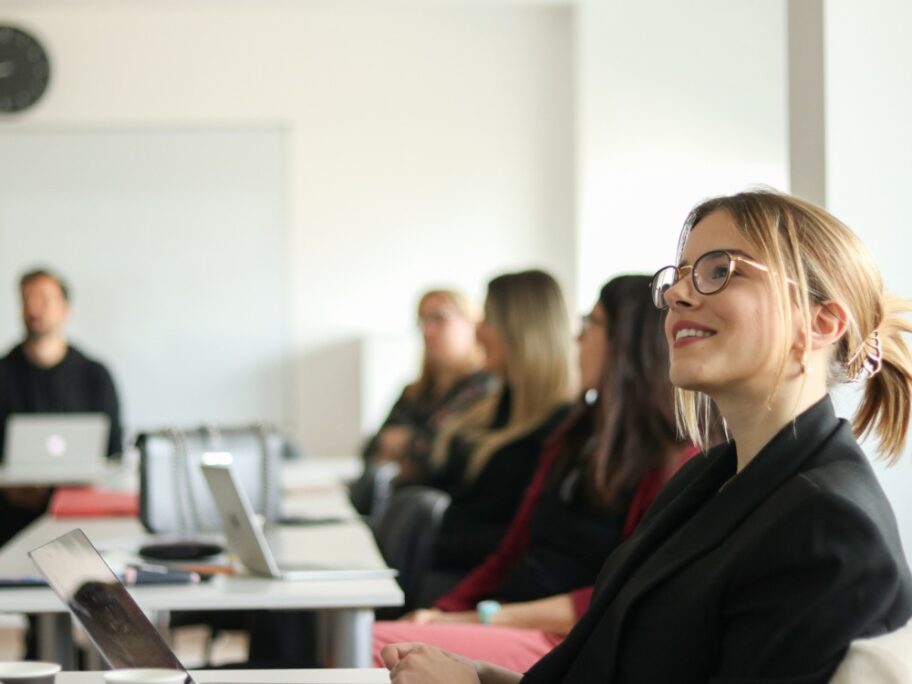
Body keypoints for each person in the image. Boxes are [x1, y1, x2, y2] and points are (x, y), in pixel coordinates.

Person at [381, 189, 912, 683]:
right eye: (679, 276)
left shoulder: (829, 529)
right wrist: (480, 674)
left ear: (821, 324)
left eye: (720, 270)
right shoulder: (706, 479)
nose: (678, 294)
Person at [372, 275, 698, 671]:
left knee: (376, 646)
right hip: (509, 616)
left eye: (591, 324)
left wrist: (477, 617)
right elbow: (512, 549)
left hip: (570, 637)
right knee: (386, 637)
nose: (577, 338)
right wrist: (441, 610)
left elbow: (623, 595)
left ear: (627, 343)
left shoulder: (673, 458)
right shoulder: (573, 434)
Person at [414, 270, 578, 600]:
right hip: (445, 570)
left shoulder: (560, 427)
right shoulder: (500, 407)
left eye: (488, 318)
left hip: (477, 589)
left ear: (521, 332)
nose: (478, 329)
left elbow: (518, 541)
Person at [0, 268, 123, 545]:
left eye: (43, 299)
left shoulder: (95, 376)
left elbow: (114, 455)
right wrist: (10, 489)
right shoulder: (4, 373)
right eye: (26, 299)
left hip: (80, 517)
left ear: (65, 310)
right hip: (10, 520)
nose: (34, 308)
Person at [362, 289, 492, 479]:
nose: (427, 330)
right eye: (422, 320)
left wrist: (405, 443)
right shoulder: (414, 392)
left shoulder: (484, 388)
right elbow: (370, 449)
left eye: (439, 318)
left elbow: (446, 456)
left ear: (472, 323)